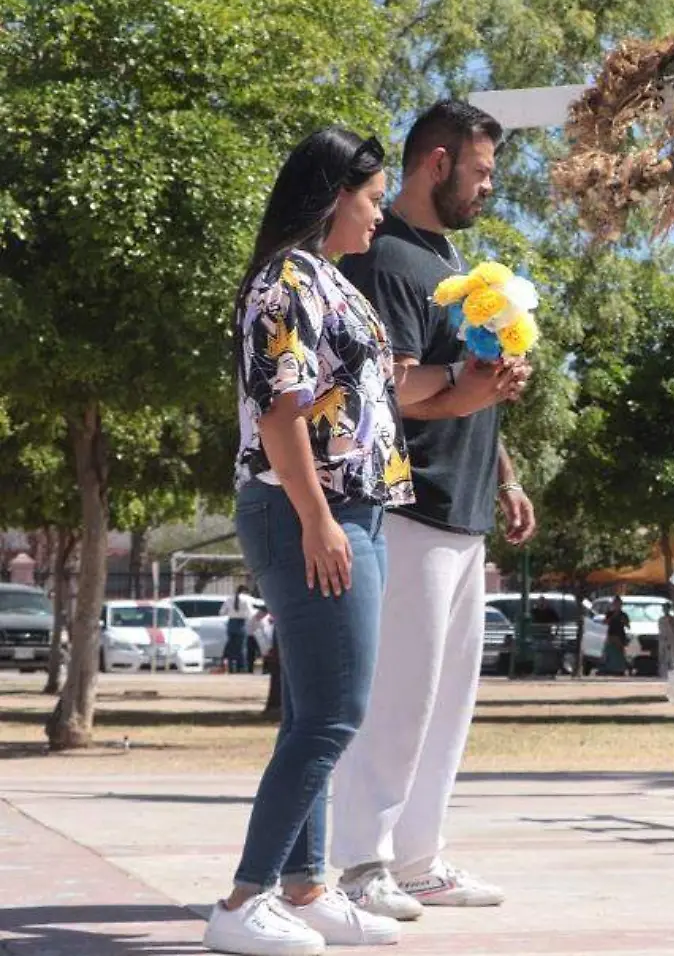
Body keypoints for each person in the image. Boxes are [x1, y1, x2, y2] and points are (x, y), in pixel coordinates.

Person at [209, 127, 451, 955]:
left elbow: (385, 396)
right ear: (332, 196)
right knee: (333, 716)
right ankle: (244, 901)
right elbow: (281, 411)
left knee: (317, 714)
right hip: (308, 510)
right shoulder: (285, 281)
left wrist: (470, 382)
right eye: (373, 197)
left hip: (359, 512)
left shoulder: (329, 282)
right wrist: (317, 520)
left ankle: (307, 890)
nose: (381, 214)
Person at [331, 101, 533, 918]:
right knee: (399, 696)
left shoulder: (449, 262)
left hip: (467, 506)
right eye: (481, 172)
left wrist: (509, 476)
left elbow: (465, 384)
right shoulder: (384, 261)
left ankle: (418, 858)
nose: (489, 188)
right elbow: (393, 386)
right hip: (407, 507)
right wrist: (463, 390)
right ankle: (359, 865)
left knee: (448, 700)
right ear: (438, 163)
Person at [221, 585, 258, 674]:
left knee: (231, 646)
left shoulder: (229, 599)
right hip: (241, 624)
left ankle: (231, 668)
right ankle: (242, 668)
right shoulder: (246, 599)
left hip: (231, 623)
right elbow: (250, 613)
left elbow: (222, 612)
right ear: (245, 591)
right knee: (242, 648)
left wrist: (231, 612)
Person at [601, 597, 631, 677]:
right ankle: (609, 669)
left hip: (620, 636)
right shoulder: (609, 613)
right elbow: (604, 623)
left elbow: (628, 626)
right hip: (611, 635)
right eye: (615, 604)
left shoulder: (623, 615)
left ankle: (620, 669)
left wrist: (624, 621)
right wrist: (613, 617)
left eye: (619, 604)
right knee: (610, 653)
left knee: (619, 653)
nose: (617, 606)